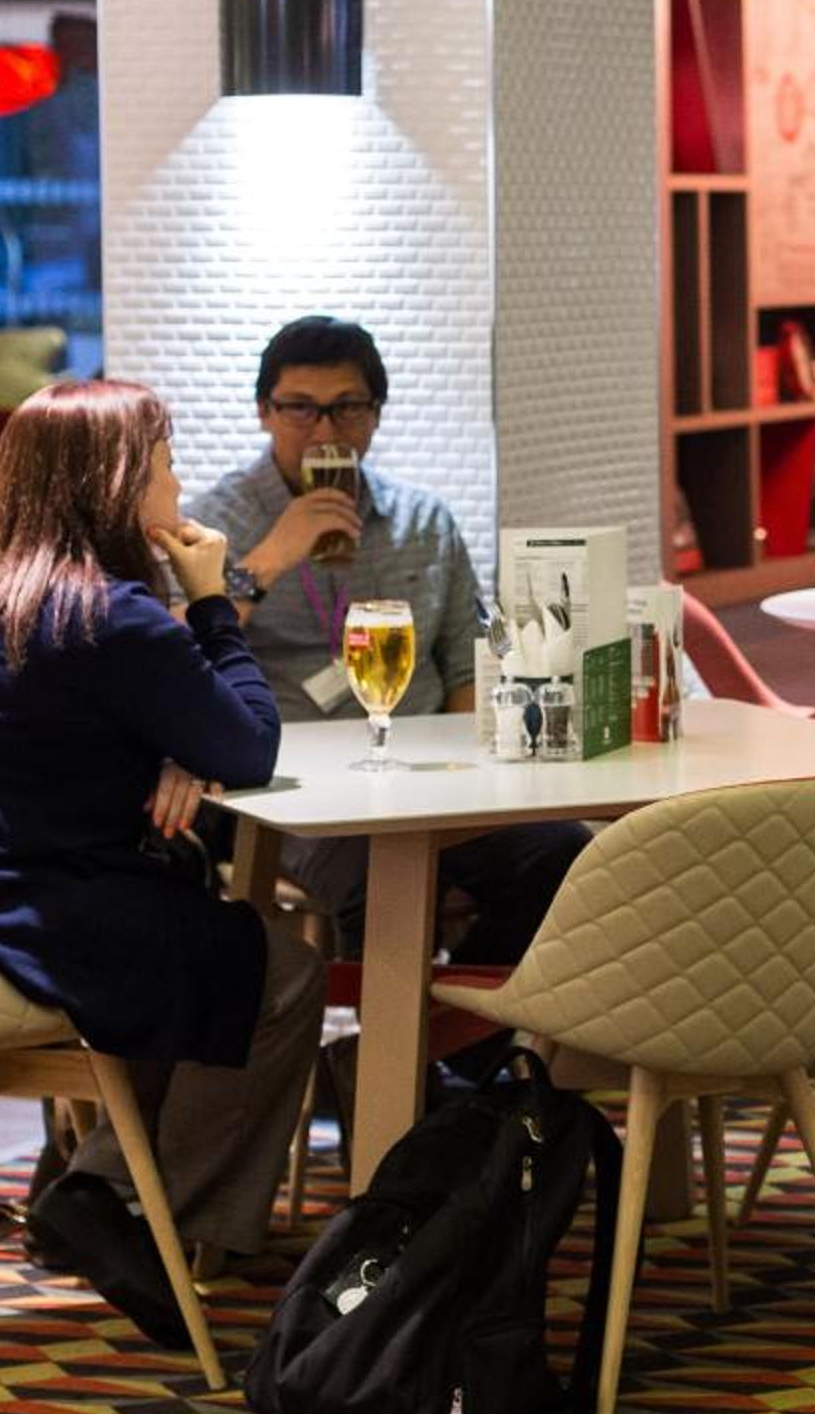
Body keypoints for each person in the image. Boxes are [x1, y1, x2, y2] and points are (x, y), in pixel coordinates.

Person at [0, 380, 321, 1341]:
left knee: (182, 916)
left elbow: (145, 729)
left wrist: (176, 748)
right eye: (165, 463)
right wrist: (212, 600)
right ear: (119, 484)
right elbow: (250, 749)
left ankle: (94, 1189)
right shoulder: (110, 615)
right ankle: (147, 1219)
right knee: (280, 963)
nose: (177, 481)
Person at [191, 316, 588, 964]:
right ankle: (389, 1031)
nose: (325, 432)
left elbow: (466, 662)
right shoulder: (216, 522)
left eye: (347, 408)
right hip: (291, 791)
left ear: (375, 415)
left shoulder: (423, 522)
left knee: (562, 852)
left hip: (424, 776)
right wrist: (268, 560)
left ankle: (459, 1024)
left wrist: (484, 775)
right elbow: (184, 656)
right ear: (265, 412)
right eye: (300, 409)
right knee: (380, 882)